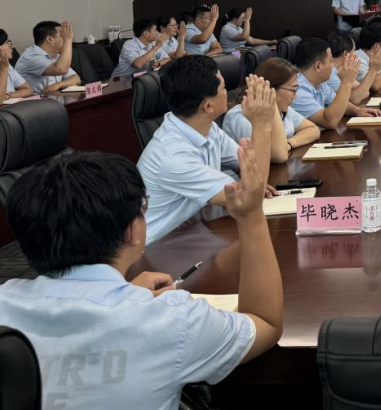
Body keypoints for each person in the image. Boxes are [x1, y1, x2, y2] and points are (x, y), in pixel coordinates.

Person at [0, 147, 284, 410]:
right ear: (132, 231)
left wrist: (125, 292)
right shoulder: (169, 320)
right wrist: (251, 217)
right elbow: (265, 322)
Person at [137, 57, 277, 244]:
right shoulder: (174, 156)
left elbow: (251, 172)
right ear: (208, 106)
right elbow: (249, 198)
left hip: (193, 231)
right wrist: (262, 123)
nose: (228, 93)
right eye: (223, 89)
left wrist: (251, 182)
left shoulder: (206, 128)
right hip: (158, 249)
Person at [223, 58, 321, 162]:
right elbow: (278, 155)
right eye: (293, 89)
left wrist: (289, 143)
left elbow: (313, 129)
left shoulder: (283, 109)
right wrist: (271, 101)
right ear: (270, 89)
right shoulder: (241, 117)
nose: (295, 96)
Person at [291, 37, 374, 129]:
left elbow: (336, 101)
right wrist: (346, 82)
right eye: (330, 61)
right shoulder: (297, 91)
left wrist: (357, 111)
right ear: (318, 66)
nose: (332, 66)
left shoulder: (320, 83)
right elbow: (330, 121)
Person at [15, 20, 81, 93]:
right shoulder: (31, 57)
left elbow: (76, 79)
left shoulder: (56, 56)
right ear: (49, 39)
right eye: (62, 35)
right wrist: (68, 40)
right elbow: (61, 69)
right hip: (34, 99)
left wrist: (59, 84)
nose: (66, 37)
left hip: (53, 98)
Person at [327, 29, 378, 105]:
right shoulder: (330, 74)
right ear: (345, 54)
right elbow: (354, 100)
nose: (356, 55)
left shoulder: (343, 70)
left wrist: (359, 93)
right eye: (353, 51)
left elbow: (365, 92)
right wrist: (373, 70)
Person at [0, 28, 33, 101]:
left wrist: (9, 95)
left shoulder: (8, 66)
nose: (12, 47)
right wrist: (4, 69)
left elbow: (29, 90)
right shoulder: (5, 67)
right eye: (7, 43)